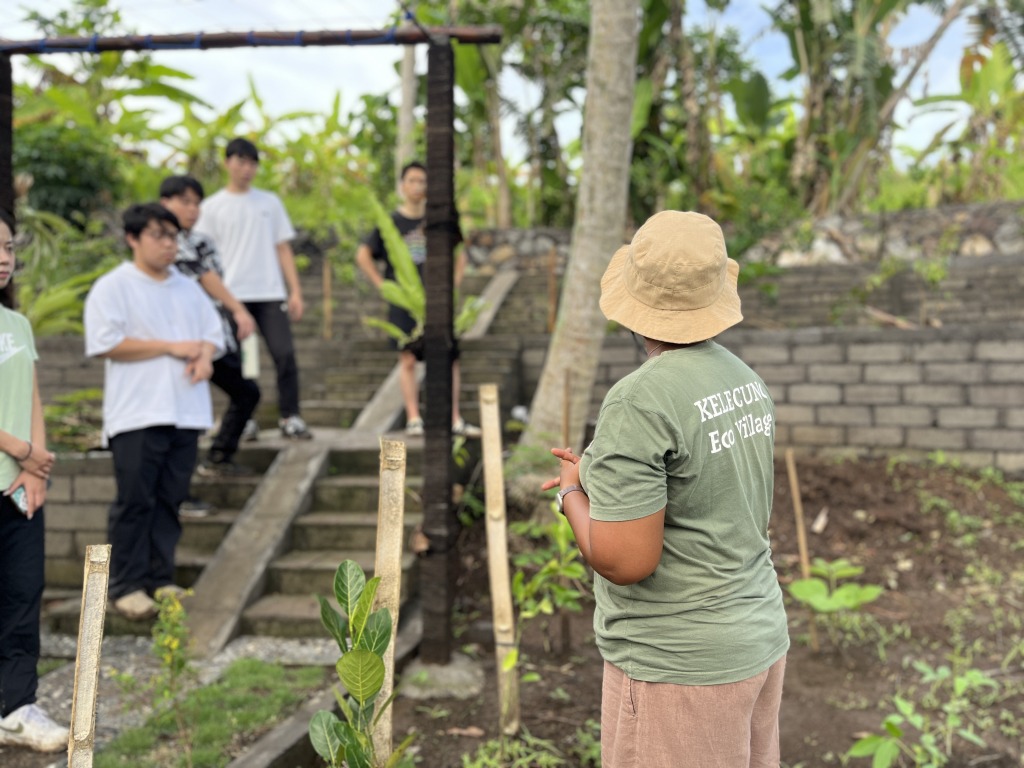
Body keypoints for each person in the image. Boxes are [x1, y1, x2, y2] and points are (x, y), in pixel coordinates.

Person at [543, 211, 789, 768]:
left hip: (680, 663)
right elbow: (705, 489)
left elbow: (624, 559)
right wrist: (604, 475)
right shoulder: (743, 379)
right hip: (757, 639)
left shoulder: (640, 399)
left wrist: (570, 496)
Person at [84, 203, 224, 620]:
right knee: (135, 501)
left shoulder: (187, 287)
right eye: (158, 235)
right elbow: (104, 343)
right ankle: (126, 585)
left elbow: (211, 335)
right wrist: (168, 345)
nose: (168, 244)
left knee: (169, 499)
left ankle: (161, 579)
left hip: (187, 411)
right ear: (133, 238)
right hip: (138, 413)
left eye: (173, 236)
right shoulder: (114, 287)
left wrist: (207, 358)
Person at [0, 207, 69, 752]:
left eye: (7, 247)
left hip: (19, 487)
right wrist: (20, 449)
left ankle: (17, 707)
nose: (4, 259)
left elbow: (33, 393)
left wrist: (35, 463)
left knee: (23, 596)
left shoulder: (17, 324)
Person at [194, 137, 312, 440]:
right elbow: (202, 257)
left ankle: (290, 416)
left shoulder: (269, 202)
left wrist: (295, 291)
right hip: (233, 296)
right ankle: (244, 421)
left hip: (270, 293)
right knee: (238, 365)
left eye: (252, 163)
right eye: (240, 161)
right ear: (227, 163)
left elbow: (283, 248)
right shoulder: (211, 207)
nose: (246, 169)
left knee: (284, 355)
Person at [355, 161, 480, 437]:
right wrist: (383, 285)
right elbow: (363, 255)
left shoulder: (439, 220)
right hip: (405, 302)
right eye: (412, 181)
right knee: (408, 358)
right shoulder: (391, 222)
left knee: (450, 357)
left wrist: (454, 284)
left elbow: (459, 253)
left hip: (437, 300)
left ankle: (454, 417)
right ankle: (413, 417)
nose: (417, 187)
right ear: (402, 186)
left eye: (422, 181)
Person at [160, 175, 261, 478]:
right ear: (165, 203)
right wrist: (239, 309)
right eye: (184, 202)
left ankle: (219, 457)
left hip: (213, 337)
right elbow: (204, 275)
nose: (192, 209)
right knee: (184, 415)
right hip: (177, 340)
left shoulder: (202, 240)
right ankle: (181, 491)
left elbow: (212, 280)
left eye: (196, 203)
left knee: (246, 393)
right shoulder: (162, 242)